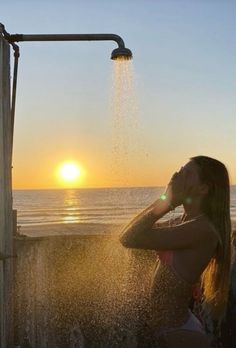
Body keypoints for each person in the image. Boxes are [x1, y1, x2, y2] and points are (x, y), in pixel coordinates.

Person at [119, 155, 232, 347]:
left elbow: (130, 238)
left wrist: (168, 202)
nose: (177, 174)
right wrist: (165, 198)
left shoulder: (202, 229)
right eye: (180, 169)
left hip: (181, 335)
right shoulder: (182, 222)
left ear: (203, 188)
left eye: (187, 173)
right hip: (169, 332)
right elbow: (128, 233)